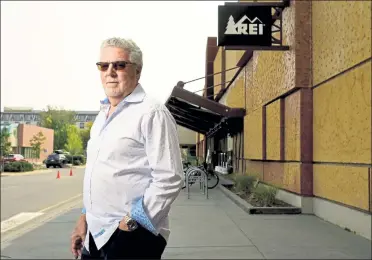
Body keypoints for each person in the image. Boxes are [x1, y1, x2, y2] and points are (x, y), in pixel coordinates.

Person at [70, 37, 183, 259]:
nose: (110, 72)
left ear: (138, 71)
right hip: (96, 234)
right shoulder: (102, 116)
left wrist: (130, 223)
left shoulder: (152, 112)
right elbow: (98, 172)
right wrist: (84, 218)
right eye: (103, 65)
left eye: (119, 65)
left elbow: (170, 177)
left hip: (131, 236)